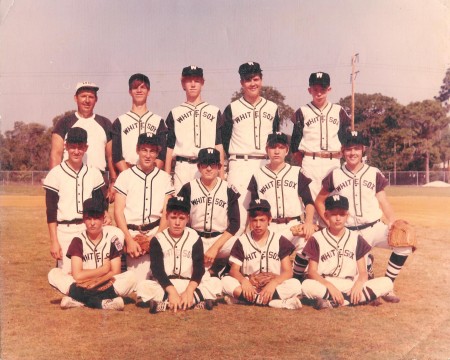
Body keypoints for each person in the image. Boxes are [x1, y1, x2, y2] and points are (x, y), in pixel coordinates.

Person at [315, 130, 412, 303]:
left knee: (405, 245)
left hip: (375, 227)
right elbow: (320, 200)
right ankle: (369, 271)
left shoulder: (373, 172)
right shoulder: (335, 174)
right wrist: (328, 221)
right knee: (353, 279)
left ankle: (388, 285)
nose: (353, 153)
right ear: (343, 151)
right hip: (351, 233)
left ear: (363, 150)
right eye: (349, 149)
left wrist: (392, 220)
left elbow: (383, 200)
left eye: (357, 148)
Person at [302, 194, 393, 309]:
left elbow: (363, 272)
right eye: (333, 214)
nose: (338, 218)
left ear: (347, 216)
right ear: (326, 215)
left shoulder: (356, 238)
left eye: (342, 214)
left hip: (348, 284)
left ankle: (338, 301)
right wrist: (330, 286)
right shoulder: (317, 238)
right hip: (325, 282)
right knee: (306, 286)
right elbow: (312, 272)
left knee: (387, 282)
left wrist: (358, 284)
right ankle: (356, 299)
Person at [247, 132, 316, 281]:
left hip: (294, 225)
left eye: (281, 147)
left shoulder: (296, 172)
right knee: (265, 268)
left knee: (311, 242)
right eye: (273, 147)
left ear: (287, 150)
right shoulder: (258, 175)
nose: (276, 151)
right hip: (269, 227)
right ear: (267, 150)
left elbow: (309, 202)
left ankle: (297, 275)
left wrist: (308, 222)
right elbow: (253, 209)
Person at [135, 196, 222, 313]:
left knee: (215, 283)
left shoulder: (194, 237)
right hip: (166, 284)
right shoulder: (158, 239)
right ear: (166, 217)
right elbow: (157, 270)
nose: (177, 222)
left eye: (181, 218)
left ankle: (165, 303)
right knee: (143, 287)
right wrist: (172, 291)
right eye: (173, 217)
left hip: (189, 283)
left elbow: (199, 269)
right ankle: (195, 302)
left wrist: (190, 291)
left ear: (187, 218)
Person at [222, 62, 280, 235]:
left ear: (261, 80)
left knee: (264, 213)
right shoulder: (232, 108)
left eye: (256, 79)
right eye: (248, 80)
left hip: (264, 163)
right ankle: (236, 259)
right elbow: (225, 140)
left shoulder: (272, 107)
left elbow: (276, 139)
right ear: (241, 83)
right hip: (240, 163)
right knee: (238, 216)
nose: (252, 83)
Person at [48, 198, 137, 310]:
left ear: (103, 219)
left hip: (105, 283)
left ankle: (79, 300)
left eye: (96, 218)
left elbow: (116, 271)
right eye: (88, 219)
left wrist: (98, 279)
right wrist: (103, 270)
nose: (92, 223)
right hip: (82, 284)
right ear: (83, 220)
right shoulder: (78, 240)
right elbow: (77, 275)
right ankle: (103, 303)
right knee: (54, 274)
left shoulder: (112, 238)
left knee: (131, 277)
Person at [43, 127, 108, 274]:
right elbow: (51, 212)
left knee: (90, 271)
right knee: (67, 273)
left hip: (88, 229)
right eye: (73, 147)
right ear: (66, 147)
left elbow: (101, 205)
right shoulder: (56, 174)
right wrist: (54, 241)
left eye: (80, 147)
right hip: (65, 230)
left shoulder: (93, 173)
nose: (76, 151)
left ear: (86, 147)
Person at [290, 72, 351, 223]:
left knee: (334, 202)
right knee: (311, 202)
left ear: (329, 89)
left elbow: (345, 139)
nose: (319, 93)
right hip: (311, 160)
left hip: (333, 161)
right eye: (315, 89)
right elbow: (294, 145)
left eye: (322, 89)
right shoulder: (302, 112)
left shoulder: (339, 111)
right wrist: (306, 161)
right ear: (309, 90)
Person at [114, 133, 174, 284]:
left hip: (156, 231)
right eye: (144, 150)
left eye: (152, 151)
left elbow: (167, 212)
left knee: (160, 280)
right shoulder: (125, 176)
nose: (148, 155)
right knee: (136, 283)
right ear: (137, 150)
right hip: (132, 233)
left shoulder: (165, 178)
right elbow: (118, 211)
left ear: (157, 153)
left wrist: (156, 238)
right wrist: (128, 239)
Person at [221, 199, 302, 310]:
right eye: (254, 220)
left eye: (262, 220)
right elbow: (234, 270)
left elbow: (288, 271)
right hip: (250, 285)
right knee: (226, 281)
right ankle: (274, 302)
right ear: (249, 220)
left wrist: (274, 283)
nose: (258, 224)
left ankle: (247, 300)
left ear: (269, 220)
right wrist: (245, 282)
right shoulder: (242, 241)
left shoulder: (279, 240)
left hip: (273, 285)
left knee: (295, 284)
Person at [177, 147, 240, 276]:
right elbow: (179, 215)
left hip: (220, 240)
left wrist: (215, 248)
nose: (209, 168)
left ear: (219, 167)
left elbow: (235, 223)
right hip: (195, 237)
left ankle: (224, 269)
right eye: (205, 164)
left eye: (213, 164)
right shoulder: (188, 188)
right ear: (199, 166)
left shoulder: (228, 189)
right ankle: (211, 271)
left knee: (241, 244)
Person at [49, 81, 117, 201]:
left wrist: (113, 182)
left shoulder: (105, 123)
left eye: (91, 97)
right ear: (75, 98)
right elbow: (56, 154)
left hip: (98, 182)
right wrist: (55, 183)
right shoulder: (64, 123)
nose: (87, 100)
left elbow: (111, 156)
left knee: (98, 219)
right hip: (69, 179)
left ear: (96, 99)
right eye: (83, 96)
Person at [165, 65, 225, 193]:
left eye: (197, 80)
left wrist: (222, 176)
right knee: (182, 209)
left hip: (207, 167)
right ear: (183, 83)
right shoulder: (175, 112)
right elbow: (170, 147)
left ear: (202, 83)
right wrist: (166, 177)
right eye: (189, 80)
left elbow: (218, 145)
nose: (193, 84)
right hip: (183, 167)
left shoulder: (214, 111)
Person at [112, 73, 167, 172]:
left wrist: (151, 174)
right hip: (127, 171)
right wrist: (130, 176)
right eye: (135, 87)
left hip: (152, 172)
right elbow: (116, 155)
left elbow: (162, 154)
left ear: (148, 91)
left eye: (143, 87)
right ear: (130, 91)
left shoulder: (158, 121)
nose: (139, 90)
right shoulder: (120, 121)